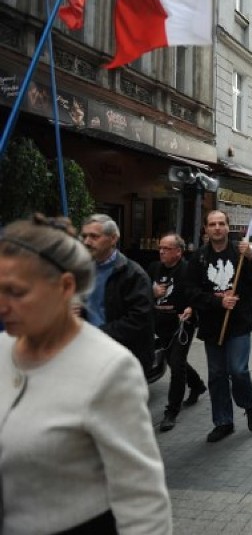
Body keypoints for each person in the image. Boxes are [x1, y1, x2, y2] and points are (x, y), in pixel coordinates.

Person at [0, 214, 171, 533]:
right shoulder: (3, 352)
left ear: (65, 286)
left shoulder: (109, 370)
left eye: (18, 291)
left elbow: (142, 498)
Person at [187, 210, 252, 442]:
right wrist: (217, 301)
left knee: (238, 370)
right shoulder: (199, 258)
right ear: (206, 229)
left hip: (239, 323)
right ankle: (223, 421)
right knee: (217, 374)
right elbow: (190, 291)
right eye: (212, 224)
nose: (217, 228)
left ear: (227, 226)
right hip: (213, 325)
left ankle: (249, 406)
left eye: (221, 223)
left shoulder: (241, 253)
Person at [80, 213, 156, 378]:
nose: (86, 242)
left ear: (113, 239)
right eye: (84, 236)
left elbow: (139, 319)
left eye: (94, 236)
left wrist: (98, 333)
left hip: (122, 356)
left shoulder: (134, 274)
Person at [148, 233, 207, 432]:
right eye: (160, 248)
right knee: (174, 361)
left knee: (176, 364)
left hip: (182, 324)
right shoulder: (154, 268)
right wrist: (152, 292)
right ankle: (197, 384)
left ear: (178, 251)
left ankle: (171, 411)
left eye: (166, 248)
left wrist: (192, 308)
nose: (162, 252)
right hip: (160, 324)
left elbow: (199, 293)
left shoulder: (189, 270)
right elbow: (142, 289)